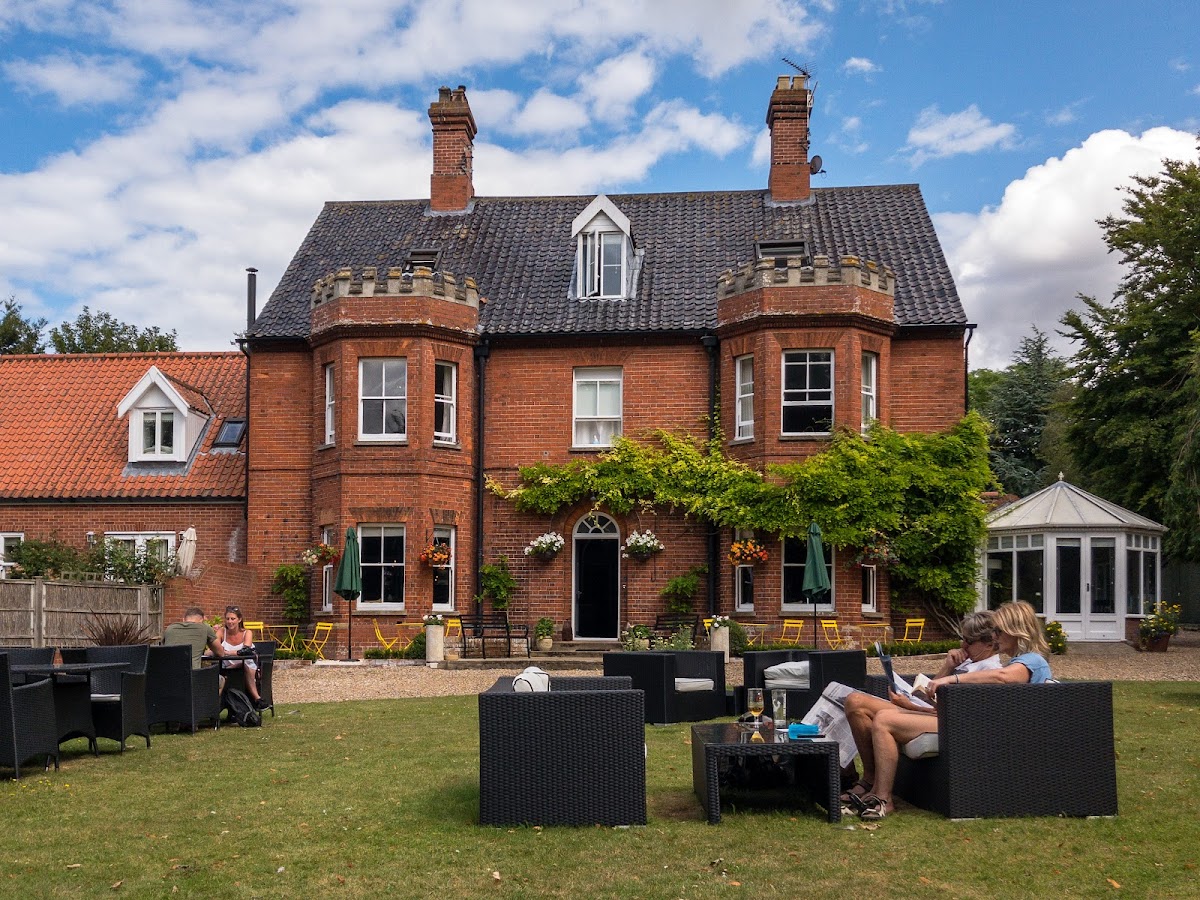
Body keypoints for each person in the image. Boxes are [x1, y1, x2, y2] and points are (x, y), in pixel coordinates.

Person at [851, 600, 1052, 822]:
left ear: (1016, 631)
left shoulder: (1032, 661)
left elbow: (1002, 678)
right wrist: (948, 672)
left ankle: (882, 798)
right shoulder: (1019, 661)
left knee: (884, 720)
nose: (995, 637)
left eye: (999, 630)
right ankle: (878, 792)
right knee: (869, 709)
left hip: (978, 728)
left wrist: (953, 678)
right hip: (968, 720)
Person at [838, 610, 1002, 808]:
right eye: (962, 639)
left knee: (883, 717)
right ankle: (870, 778)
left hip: (948, 721)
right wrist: (948, 667)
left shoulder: (989, 670)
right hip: (930, 712)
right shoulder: (968, 660)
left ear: (989, 643)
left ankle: (883, 797)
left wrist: (909, 706)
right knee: (855, 701)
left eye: (969, 641)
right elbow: (928, 694)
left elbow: (956, 712)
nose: (963, 645)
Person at [213, 605, 268, 710]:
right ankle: (215, 705)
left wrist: (227, 653)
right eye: (228, 619)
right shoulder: (221, 632)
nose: (230, 622)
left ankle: (257, 699)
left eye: (233, 619)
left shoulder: (247, 633)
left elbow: (245, 651)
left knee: (244, 665)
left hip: (247, 664)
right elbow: (214, 647)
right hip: (227, 666)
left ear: (239, 619)